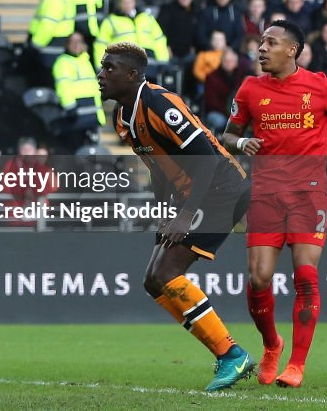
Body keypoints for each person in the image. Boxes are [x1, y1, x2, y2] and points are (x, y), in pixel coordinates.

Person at [97, 42, 254, 391]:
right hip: (190, 196)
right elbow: (157, 166)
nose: (101, 74)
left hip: (221, 189)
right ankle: (227, 354)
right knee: (153, 281)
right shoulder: (122, 116)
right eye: (102, 67)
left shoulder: (159, 103)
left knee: (167, 272)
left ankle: (232, 354)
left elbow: (209, 161)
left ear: (133, 75)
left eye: (110, 68)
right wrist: (165, 211)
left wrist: (184, 215)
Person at [223, 20, 327, 388]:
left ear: (292, 50)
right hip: (266, 193)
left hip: (308, 193)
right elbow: (227, 135)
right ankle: (272, 344)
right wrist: (241, 145)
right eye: (260, 42)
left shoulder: (321, 86)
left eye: (270, 43)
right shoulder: (250, 88)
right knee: (258, 278)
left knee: (305, 275)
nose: (261, 49)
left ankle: (297, 364)